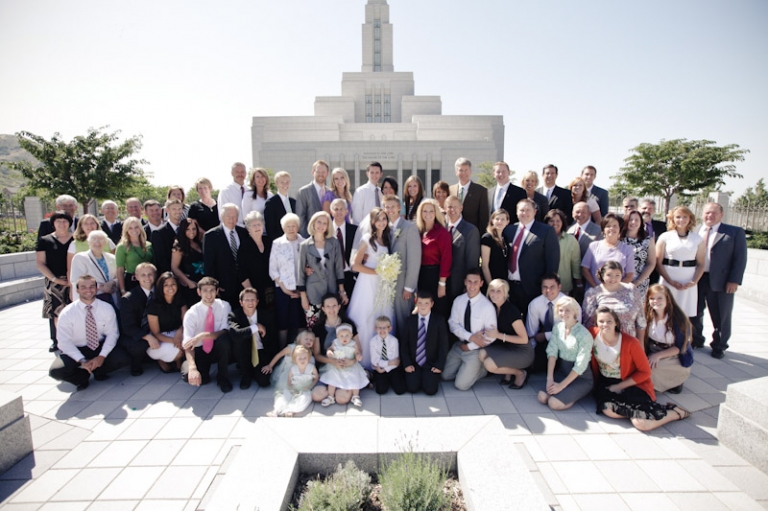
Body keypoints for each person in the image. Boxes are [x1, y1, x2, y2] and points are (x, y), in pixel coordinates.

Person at [590, 307, 691, 431]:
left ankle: (674, 413)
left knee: (642, 424)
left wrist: (619, 386)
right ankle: (639, 413)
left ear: (616, 322)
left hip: (632, 383)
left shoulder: (630, 342)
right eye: (601, 321)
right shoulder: (593, 334)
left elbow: (645, 372)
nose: (605, 324)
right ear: (596, 322)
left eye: (609, 321)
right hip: (607, 382)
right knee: (608, 410)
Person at [49, 275, 130, 391]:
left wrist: (102, 356)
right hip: (77, 348)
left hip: (98, 346)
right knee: (56, 371)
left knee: (123, 357)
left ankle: (99, 370)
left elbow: (112, 334)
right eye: (83, 287)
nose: (88, 290)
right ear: (77, 290)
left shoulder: (106, 308)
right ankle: (82, 377)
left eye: (92, 286)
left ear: (96, 289)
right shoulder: (67, 313)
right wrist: (81, 360)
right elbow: (63, 342)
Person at [692, 202, 747, 359]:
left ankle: (719, 345)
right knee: (695, 311)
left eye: (714, 213)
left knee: (721, 314)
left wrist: (734, 280)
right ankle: (696, 339)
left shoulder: (734, 232)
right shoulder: (695, 231)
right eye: (707, 212)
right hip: (697, 278)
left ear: (721, 214)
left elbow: (740, 258)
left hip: (721, 280)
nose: (710, 216)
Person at [347, 208, 395, 368]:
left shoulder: (387, 238)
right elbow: (355, 265)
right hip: (368, 283)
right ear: (372, 222)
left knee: (382, 315)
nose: (382, 222)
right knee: (367, 318)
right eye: (378, 219)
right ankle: (365, 361)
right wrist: (377, 272)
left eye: (384, 219)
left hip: (383, 285)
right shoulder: (367, 239)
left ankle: (382, 359)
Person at [503, 198, 560, 315]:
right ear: (516, 212)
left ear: (535, 212)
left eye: (528, 210)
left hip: (532, 287)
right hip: (510, 286)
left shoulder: (546, 231)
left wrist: (547, 286)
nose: (525, 213)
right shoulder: (508, 230)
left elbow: (552, 260)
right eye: (521, 210)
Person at [442, 270, 496, 391]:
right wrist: (470, 337)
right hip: (460, 345)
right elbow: (452, 324)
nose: (472, 285)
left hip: (476, 350)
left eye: (476, 282)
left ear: (481, 283)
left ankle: (482, 369)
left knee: (461, 385)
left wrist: (470, 346)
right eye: (469, 282)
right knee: (445, 376)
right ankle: (465, 368)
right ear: (465, 282)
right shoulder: (458, 301)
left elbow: (491, 336)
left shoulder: (487, 306)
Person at [538, 296, 593, 410]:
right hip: (563, 372)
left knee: (553, 403)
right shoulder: (557, 328)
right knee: (542, 397)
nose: (563, 313)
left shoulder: (584, 334)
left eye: (568, 310)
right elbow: (552, 353)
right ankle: (564, 393)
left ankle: (574, 393)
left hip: (581, 378)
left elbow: (580, 365)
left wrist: (561, 386)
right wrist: (550, 379)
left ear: (575, 312)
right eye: (561, 310)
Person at [181, 277, 234, 393]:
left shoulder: (224, 306)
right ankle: (201, 372)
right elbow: (188, 344)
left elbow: (225, 331)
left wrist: (203, 335)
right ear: (198, 292)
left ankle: (223, 378)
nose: (209, 294)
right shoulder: (191, 313)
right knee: (190, 375)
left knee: (224, 340)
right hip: (199, 349)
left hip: (217, 347)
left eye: (212, 290)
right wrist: (192, 368)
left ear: (217, 291)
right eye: (205, 290)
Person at [478, 279, 533, 389]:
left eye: (499, 291)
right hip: (506, 347)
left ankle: (520, 373)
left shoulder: (511, 311)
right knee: (481, 354)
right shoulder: (493, 308)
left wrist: (498, 335)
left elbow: (524, 339)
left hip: (522, 351)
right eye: (492, 290)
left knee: (489, 364)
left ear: (505, 293)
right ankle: (508, 373)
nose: (494, 294)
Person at [655, 205, 705, 321]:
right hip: (669, 278)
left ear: (690, 218)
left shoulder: (697, 239)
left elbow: (701, 264)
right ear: (673, 219)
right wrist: (669, 281)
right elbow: (658, 261)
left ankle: (682, 333)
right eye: (678, 217)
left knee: (684, 314)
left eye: (684, 217)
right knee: (666, 311)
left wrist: (693, 281)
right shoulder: (665, 237)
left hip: (688, 280)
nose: (681, 220)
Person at [297, 211, 347, 325]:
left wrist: (342, 291)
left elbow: (339, 268)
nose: (321, 225)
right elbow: (300, 273)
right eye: (319, 222)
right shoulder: (304, 245)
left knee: (333, 324)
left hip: (331, 290)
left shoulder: (334, 243)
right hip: (313, 292)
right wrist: (303, 297)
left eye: (325, 223)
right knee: (314, 327)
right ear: (313, 223)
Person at [36, 210, 73, 352]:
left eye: (65, 221)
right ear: (53, 223)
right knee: (56, 313)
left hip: (73, 281)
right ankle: (58, 341)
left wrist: (71, 280)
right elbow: (40, 263)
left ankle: (75, 340)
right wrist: (55, 279)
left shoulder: (75, 239)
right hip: (54, 282)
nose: (62, 224)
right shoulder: (45, 240)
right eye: (58, 221)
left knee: (74, 312)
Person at [645, 284, 694, 393]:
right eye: (652, 298)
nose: (655, 301)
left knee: (652, 370)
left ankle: (675, 382)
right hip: (653, 349)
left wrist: (658, 355)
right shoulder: (647, 315)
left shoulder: (678, 319)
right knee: (641, 368)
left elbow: (680, 347)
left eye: (659, 298)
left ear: (667, 299)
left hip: (673, 354)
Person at [383, 195, 421, 336]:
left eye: (393, 207)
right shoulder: (384, 228)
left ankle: (406, 348)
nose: (390, 210)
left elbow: (414, 259)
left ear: (399, 207)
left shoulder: (409, 228)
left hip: (403, 284)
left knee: (403, 320)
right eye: (387, 207)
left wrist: (409, 287)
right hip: (388, 285)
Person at [399, 291, 449, 395]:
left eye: (426, 303)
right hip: (414, 362)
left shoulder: (438, 320)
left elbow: (443, 345)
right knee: (412, 388)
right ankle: (417, 378)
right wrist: (407, 363)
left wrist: (439, 365)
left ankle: (426, 378)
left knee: (431, 390)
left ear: (432, 304)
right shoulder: (410, 321)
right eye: (420, 303)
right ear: (416, 303)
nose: (423, 306)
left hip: (431, 363)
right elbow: (404, 345)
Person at [584, 260, 646, 340]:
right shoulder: (593, 293)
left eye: (617, 275)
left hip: (629, 339)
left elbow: (641, 319)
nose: (613, 279)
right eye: (609, 275)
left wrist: (640, 343)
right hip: (604, 340)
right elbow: (588, 323)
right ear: (602, 275)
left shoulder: (631, 289)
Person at [228, 287, 276, 389]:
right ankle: (246, 374)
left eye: (253, 299)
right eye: (247, 300)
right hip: (244, 351)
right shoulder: (234, 315)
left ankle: (254, 370)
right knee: (239, 341)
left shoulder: (267, 315)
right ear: (241, 302)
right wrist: (255, 327)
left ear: (257, 301)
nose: (250, 302)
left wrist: (270, 362)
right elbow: (234, 334)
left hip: (261, 350)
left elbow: (273, 341)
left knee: (264, 382)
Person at [269, 213, 306, 346]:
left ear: (298, 227)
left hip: (301, 288)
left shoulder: (304, 242)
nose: (291, 229)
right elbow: (273, 269)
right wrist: (284, 289)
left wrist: (302, 290)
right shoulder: (277, 243)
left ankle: (302, 349)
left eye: (293, 226)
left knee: (301, 320)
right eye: (288, 226)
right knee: (283, 321)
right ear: (283, 228)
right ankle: (282, 350)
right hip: (283, 289)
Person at [203, 203, 249, 308]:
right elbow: (209, 264)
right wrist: (214, 286)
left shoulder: (243, 233)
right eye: (228, 216)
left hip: (244, 284)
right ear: (222, 217)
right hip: (224, 286)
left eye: (234, 216)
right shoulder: (211, 236)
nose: (232, 219)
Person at [119, 263, 160, 376]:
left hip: (157, 329)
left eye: (150, 274)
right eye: (143, 275)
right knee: (138, 346)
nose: (147, 278)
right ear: (136, 277)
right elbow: (128, 327)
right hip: (136, 333)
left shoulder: (160, 293)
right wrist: (147, 336)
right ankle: (136, 365)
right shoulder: (128, 298)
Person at [526, 273, 573, 372]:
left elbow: (573, 332)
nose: (548, 290)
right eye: (545, 287)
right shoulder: (535, 304)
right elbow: (532, 332)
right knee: (539, 367)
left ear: (559, 287)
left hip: (565, 341)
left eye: (552, 287)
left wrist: (546, 335)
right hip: (546, 342)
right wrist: (531, 356)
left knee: (564, 367)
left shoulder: (570, 303)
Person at [415, 199, 452, 317]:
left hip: (436, 276)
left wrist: (442, 284)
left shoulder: (442, 233)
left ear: (436, 213)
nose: (428, 214)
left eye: (431, 211)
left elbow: (446, 259)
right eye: (425, 211)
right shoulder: (418, 232)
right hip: (421, 276)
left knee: (437, 311)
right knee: (423, 311)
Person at [581, 213, 635, 289]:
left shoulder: (627, 249)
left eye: (615, 226)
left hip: (618, 292)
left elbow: (630, 275)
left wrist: (614, 290)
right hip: (595, 291)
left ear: (620, 229)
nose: (611, 228)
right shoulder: (593, 246)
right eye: (608, 226)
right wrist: (598, 289)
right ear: (603, 230)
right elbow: (585, 269)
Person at [320, 323, 368, 407]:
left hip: (350, 366)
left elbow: (357, 353)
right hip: (337, 366)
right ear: (337, 336)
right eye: (341, 336)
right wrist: (329, 352)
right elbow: (330, 349)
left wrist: (358, 356)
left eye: (347, 335)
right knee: (332, 378)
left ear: (351, 335)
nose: (344, 338)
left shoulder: (353, 344)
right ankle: (330, 397)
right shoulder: (335, 342)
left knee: (354, 377)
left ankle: (355, 396)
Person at [145, 271, 185, 373]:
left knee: (190, 342)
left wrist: (179, 332)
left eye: (173, 284)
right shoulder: (154, 305)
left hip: (177, 333)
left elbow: (185, 322)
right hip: (160, 338)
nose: (170, 287)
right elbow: (156, 333)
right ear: (160, 287)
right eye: (166, 285)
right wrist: (174, 341)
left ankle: (178, 362)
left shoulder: (181, 300)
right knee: (179, 350)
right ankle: (161, 360)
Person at [267, 345, 318, 418]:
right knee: (284, 396)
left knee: (304, 399)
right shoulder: (293, 369)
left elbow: (316, 378)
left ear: (309, 358)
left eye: (305, 358)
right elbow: (289, 381)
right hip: (294, 388)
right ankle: (276, 410)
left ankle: (291, 410)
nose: (302, 360)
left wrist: (310, 386)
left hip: (305, 389)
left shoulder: (311, 368)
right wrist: (291, 388)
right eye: (299, 358)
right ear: (295, 359)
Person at [445, 195, 480, 299]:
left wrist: (468, 285)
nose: (452, 210)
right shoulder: (441, 228)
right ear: (445, 209)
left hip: (459, 284)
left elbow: (472, 261)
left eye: (455, 207)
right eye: (449, 207)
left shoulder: (470, 230)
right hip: (442, 284)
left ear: (461, 208)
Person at [70, 231, 118, 305]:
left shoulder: (112, 258)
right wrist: (101, 287)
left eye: (101, 239)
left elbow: (119, 276)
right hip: (90, 298)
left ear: (105, 242)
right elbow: (76, 279)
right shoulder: (80, 257)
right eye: (94, 239)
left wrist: (112, 283)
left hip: (112, 298)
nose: (97, 242)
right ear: (88, 242)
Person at [237, 211, 274, 308]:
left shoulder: (269, 242)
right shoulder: (244, 246)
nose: (257, 227)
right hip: (255, 291)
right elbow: (242, 272)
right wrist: (251, 293)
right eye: (253, 225)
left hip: (273, 288)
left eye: (259, 224)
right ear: (248, 228)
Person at [621, 209, 656, 299]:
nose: (633, 222)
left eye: (637, 220)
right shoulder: (618, 239)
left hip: (640, 284)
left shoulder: (648, 240)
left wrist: (637, 282)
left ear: (641, 222)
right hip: (620, 283)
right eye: (630, 219)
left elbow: (651, 263)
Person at [545, 208, 581, 295]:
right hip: (544, 285)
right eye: (551, 221)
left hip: (564, 285)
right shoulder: (542, 239)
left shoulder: (571, 240)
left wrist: (578, 283)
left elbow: (576, 263)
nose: (555, 223)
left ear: (562, 222)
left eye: (558, 221)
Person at [67, 214, 115, 278]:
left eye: (92, 223)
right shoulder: (74, 244)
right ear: (81, 227)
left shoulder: (108, 241)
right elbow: (70, 270)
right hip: (86, 282)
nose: (89, 226)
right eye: (86, 223)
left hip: (108, 281)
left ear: (97, 225)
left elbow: (115, 264)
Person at [171, 218, 205, 307]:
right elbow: (174, 267)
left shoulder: (199, 243)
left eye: (194, 229)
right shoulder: (179, 246)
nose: (191, 232)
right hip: (190, 286)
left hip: (203, 284)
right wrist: (188, 282)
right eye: (188, 229)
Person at [116, 216, 154, 295]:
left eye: (136, 227)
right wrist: (122, 290)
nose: (134, 230)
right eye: (130, 228)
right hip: (132, 282)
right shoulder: (122, 247)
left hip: (149, 281)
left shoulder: (149, 245)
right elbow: (120, 270)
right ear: (126, 230)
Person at [450, 157, 489, 232]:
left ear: (470, 171)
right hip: (453, 233)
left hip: (472, 233)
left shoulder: (481, 191)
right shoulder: (450, 190)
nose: (463, 173)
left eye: (466, 170)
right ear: (456, 172)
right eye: (461, 170)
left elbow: (484, 218)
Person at [370, 316, 406, 395]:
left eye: (385, 328)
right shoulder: (373, 341)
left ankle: (392, 380)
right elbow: (375, 361)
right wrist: (388, 364)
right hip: (379, 368)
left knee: (400, 390)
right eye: (379, 328)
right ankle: (382, 380)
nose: (382, 330)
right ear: (375, 329)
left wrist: (384, 369)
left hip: (392, 368)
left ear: (390, 328)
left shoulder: (394, 341)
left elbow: (396, 362)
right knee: (381, 391)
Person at [330, 198, 358, 299]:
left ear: (347, 211)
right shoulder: (326, 231)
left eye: (341, 209)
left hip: (349, 273)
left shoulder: (355, 230)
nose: (339, 212)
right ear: (331, 212)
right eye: (336, 209)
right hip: (332, 276)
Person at [297, 160, 330, 237]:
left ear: (327, 173)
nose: (321, 174)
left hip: (327, 237)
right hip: (310, 236)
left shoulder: (330, 192)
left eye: (323, 172)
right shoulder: (304, 192)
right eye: (318, 172)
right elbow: (300, 217)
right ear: (313, 172)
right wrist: (306, 237)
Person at [151, 199, 183, 275]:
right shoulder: (158, 233)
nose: (177, 211)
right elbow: (161, 259)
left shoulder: (185, 229)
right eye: (174, 209)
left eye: (179, 209)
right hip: (170, 275)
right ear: (167, 210)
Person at [480, 209, 510, 285]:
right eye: (497, 219)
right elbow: (484, 266)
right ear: (492, 221)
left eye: (503, 219)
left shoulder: (505, 238)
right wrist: (491, 285)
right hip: (492, 282)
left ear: (507, 222)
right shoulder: (487, 238)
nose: (500, 221)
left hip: (503, 282)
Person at [263, 171, 296, 238]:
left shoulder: (294, 202)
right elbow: (270, 228)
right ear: (276, 183)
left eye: (287, 182)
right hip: (279, 240)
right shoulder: (271, 203)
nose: (285, 185)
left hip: (294, 239)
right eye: (282, 182)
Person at [351, 161, 383, 227]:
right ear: (367, 174)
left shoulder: (381, 192)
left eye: (377, 173)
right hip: (365, 230)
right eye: (372, 172)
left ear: (381, 174)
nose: (374, 175)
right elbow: (356, 217)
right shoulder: (360, 191)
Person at [217, 162, 247, 226]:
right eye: (237, 172)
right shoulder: (225, 192)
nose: (240, 174)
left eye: (242, 172)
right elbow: (223, 216)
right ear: (232, 173)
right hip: (233, 228)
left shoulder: (250, 191)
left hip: (251, 229)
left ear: (246, 173)